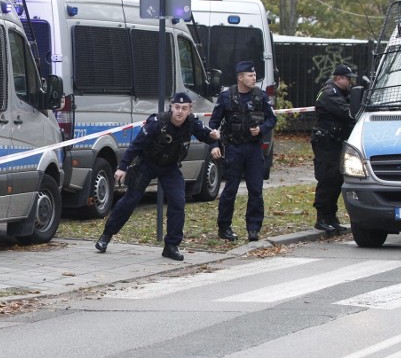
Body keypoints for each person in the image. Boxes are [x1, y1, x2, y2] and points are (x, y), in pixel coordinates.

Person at [94, 92, 221, 261]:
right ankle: (106, 236)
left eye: (184, 108)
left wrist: (214, 143)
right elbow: (136, 146)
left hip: (170, 168)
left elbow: (207, 135)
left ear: (190, 110)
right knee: (130, 200)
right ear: (171, 107)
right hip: (147, 164)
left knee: (178, 201)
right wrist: (122, 167)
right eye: (177, 107)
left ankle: (171, 246)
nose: (180, 112)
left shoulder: (192, 123)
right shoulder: (157, 123)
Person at [209, 61, 277, 242]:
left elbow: (272, 119)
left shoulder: (260, 96)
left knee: (255, 190)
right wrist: (214, 145)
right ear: (240, 77)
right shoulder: (226, 97)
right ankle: (224, 227)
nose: (254, 78)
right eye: (250, 75)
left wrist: (261, 129)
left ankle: (253, 228)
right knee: (230, 190)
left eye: (254, 75)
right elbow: (213, 124)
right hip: (234, 148)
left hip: (254, 149)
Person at [311, 64, 357, 235]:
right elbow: (347, 113)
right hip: (326, 143)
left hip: (336, 142)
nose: (350, 82)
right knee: (327, 178)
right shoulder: (330, 93)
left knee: (337, 178)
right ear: (338, 78)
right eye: (348, 78)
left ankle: (331, 216)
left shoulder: (340, 93)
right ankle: (321, 217)